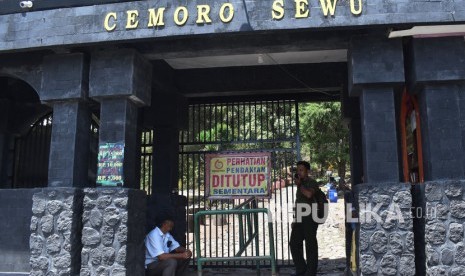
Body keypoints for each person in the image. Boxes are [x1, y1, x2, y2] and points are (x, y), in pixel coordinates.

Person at [290, 161, 320, 276]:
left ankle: (311, 272)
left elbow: (309, 195)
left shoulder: (312, 182)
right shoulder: (300, 183)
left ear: (307, 171)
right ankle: (301, 269)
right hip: (299, 218)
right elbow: (299, 202)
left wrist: (299, 185)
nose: (299, 172)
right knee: (294, 243)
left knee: (310, 245)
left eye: (301, 170)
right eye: (298, 170)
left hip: (310, 217)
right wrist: (295, 219)